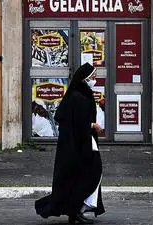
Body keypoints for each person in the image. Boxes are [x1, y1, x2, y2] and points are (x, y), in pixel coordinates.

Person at [35, 63, 105, 224]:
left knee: (85, 174)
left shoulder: (79, 94)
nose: (94, 80)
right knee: (90, 172)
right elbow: (78, 123)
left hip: (80, 142)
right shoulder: (78, 97)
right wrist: (94, 126)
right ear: (85, 79)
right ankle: (77, 210)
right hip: (78, 144)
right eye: (92, 78)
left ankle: (79, 209)